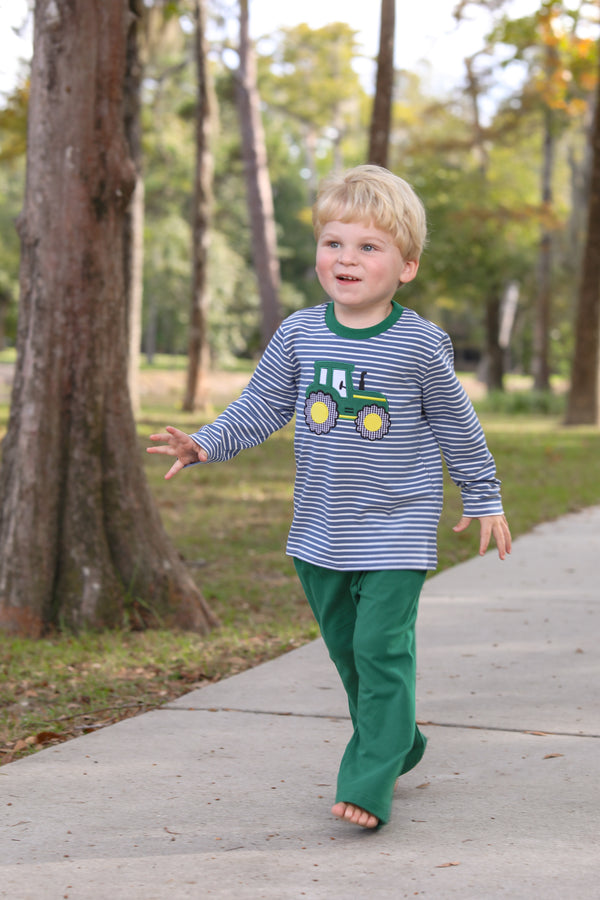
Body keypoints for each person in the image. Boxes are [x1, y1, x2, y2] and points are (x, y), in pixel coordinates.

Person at [147, 164, 511, 830]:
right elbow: (261, 405)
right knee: (350, 658)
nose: (347, 257)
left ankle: (369, 779)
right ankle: (400, 738)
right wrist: (205, 442)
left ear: (405, 266)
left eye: (369, 246)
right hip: (320, 535)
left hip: (395, 534)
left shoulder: (421, 345)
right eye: (334, 242)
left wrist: (484, 495)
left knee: (380, 651)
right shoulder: (298, 335)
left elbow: (460, 426)